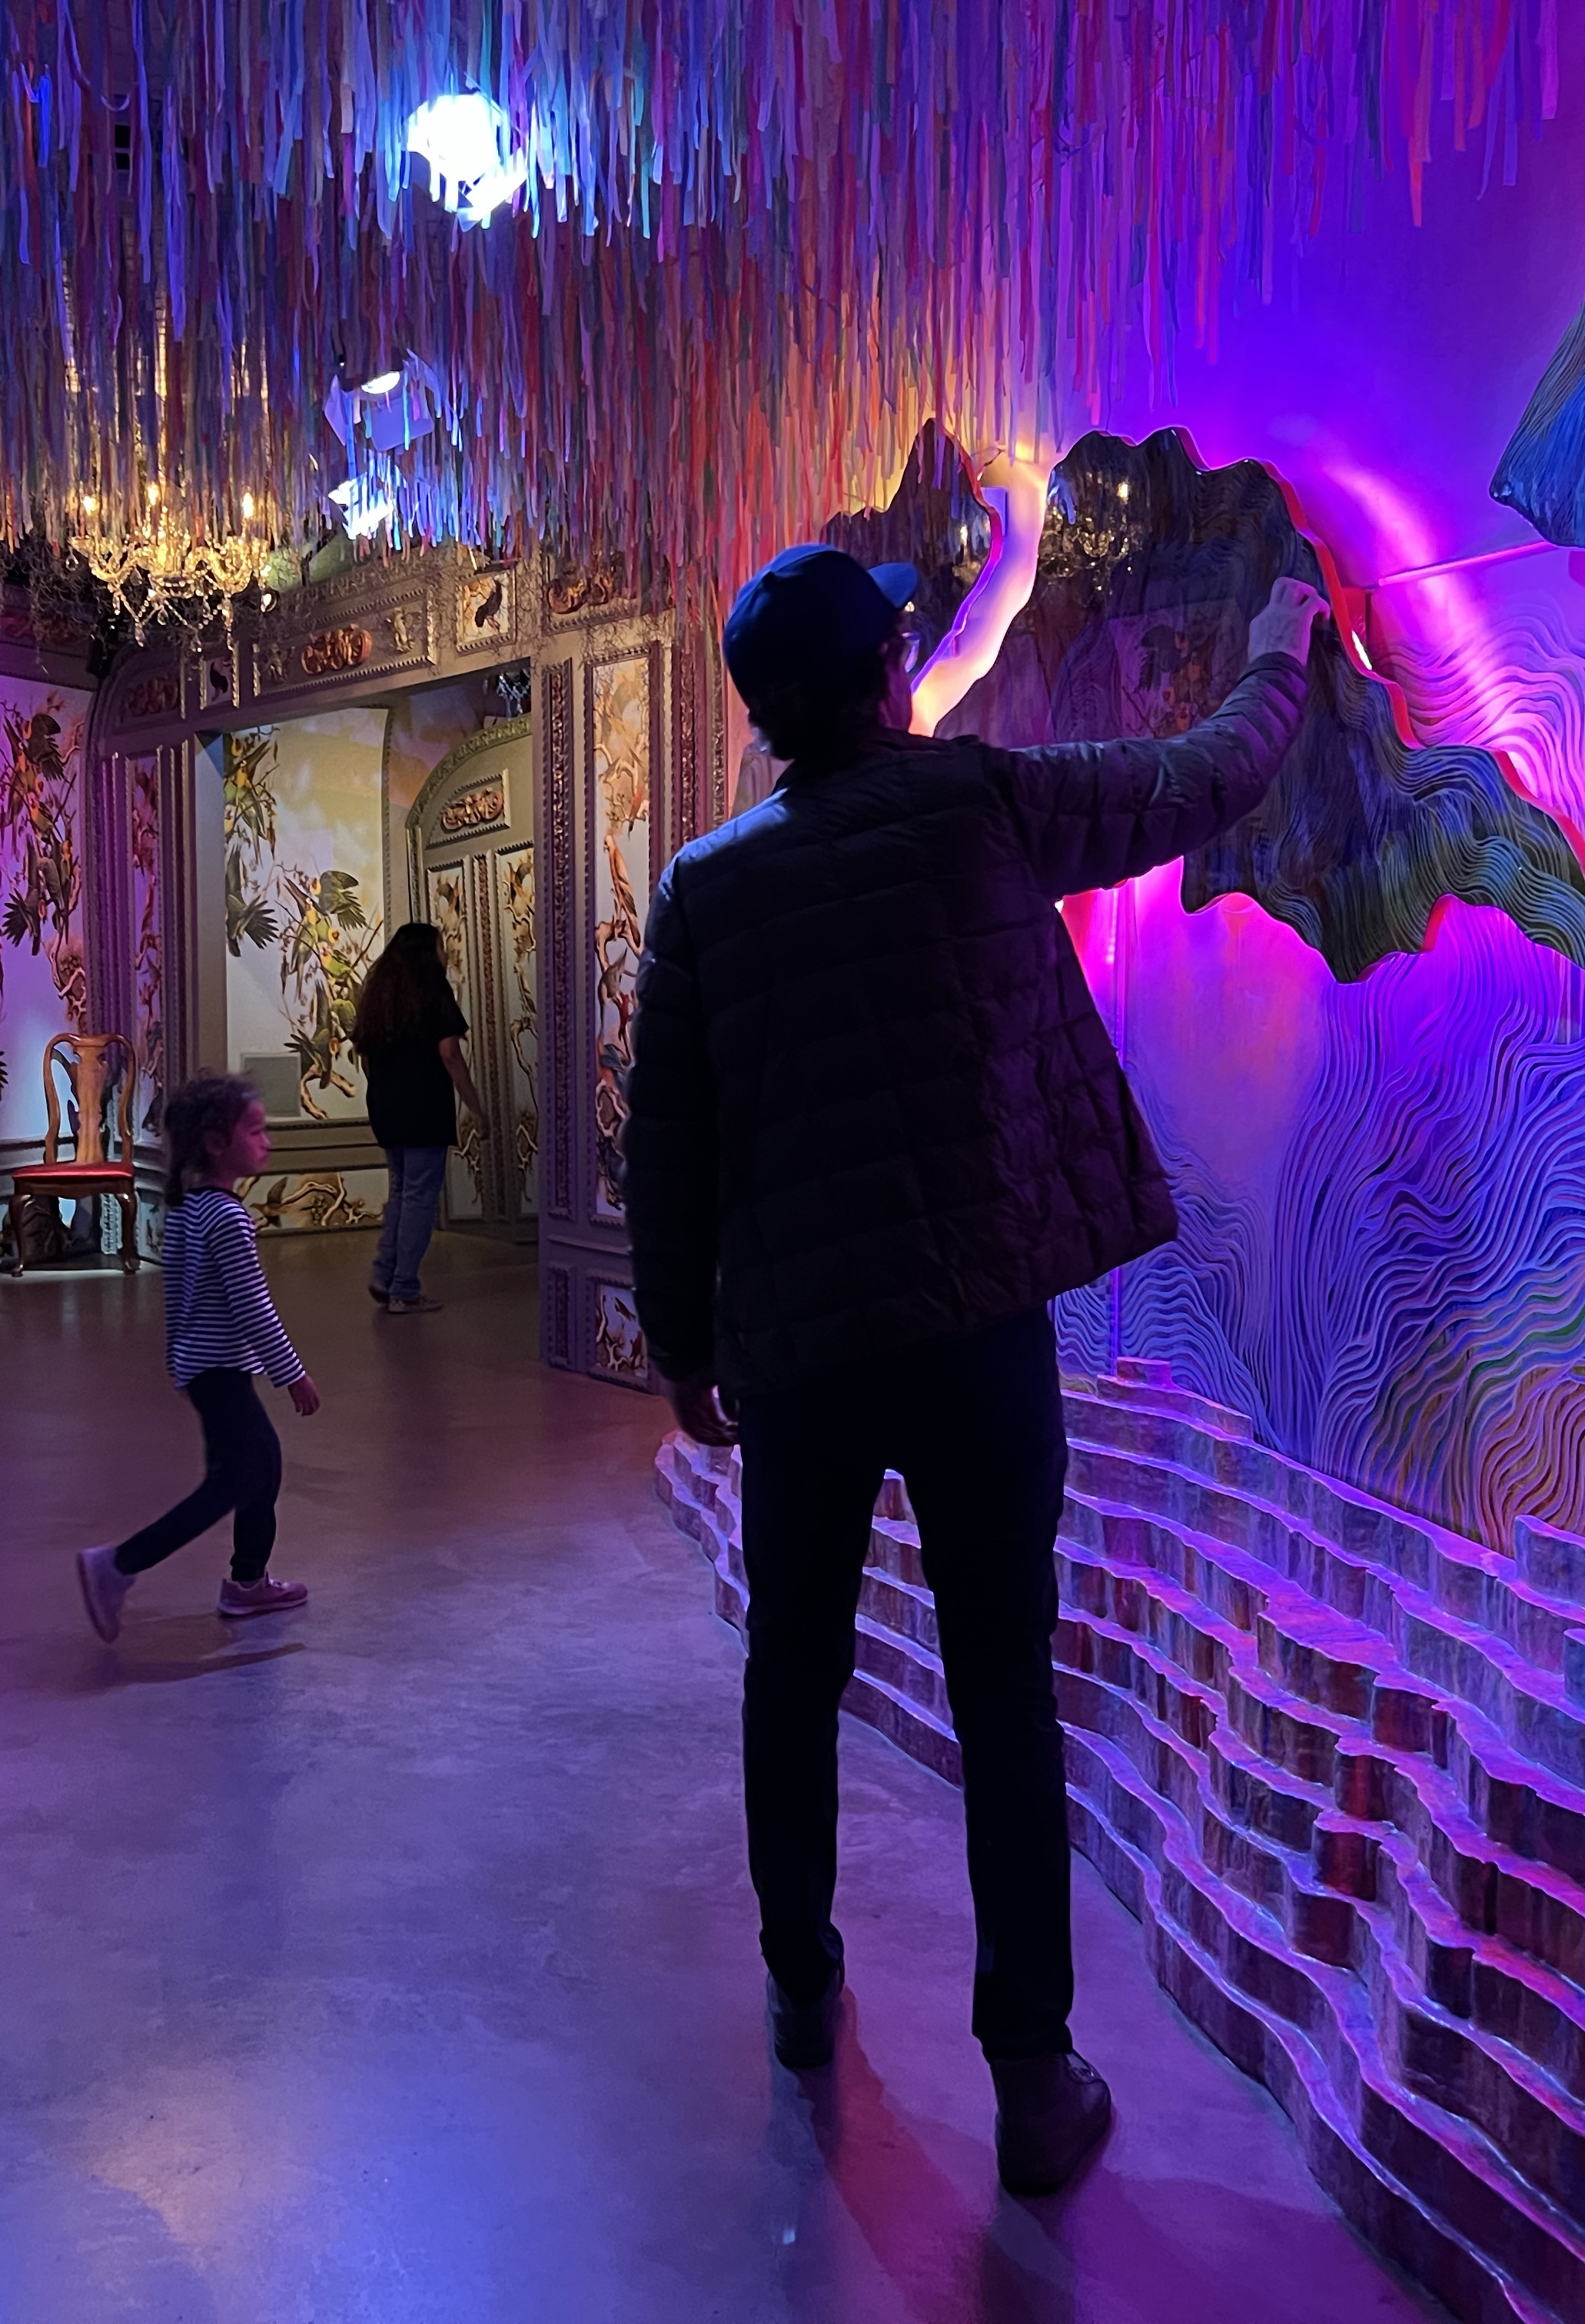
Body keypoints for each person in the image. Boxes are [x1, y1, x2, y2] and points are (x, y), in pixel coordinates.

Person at [625, 543, 1327, 2196]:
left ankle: (801, 1985)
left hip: (802, 1355)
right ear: (888, 678)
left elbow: (667, 1150)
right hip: (976, 1336)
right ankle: (1030, 2073)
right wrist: (1281, 643)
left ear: (767, 716)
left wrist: (681, 1347)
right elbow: (1201, 774)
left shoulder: (705, 889)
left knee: (790, 1673)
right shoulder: (983, 806)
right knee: (1003, 1686)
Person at [79, 1075, 321, 1637]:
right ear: (216, 1143)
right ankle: (118, 1565)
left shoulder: (190, 1209)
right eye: (254, 1131)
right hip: (221, 1372)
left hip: (205, 1369)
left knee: (262, 1466)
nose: (267, 1141)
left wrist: (177, 1361)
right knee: (231, 1482)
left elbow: (177, 1296)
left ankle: (247, 1582)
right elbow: (253, 1308)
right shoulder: (228, 1218)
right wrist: (293, 1375)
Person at [350, 921, 484, 1315]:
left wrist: (385, 1094)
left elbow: (366, 1058)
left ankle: (384, 1274)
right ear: (428, 953)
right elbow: (450, 1054)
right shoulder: (433, 990)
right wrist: (476, 1108)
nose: (446, 953)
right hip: (425, 1107)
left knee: (401, 1191)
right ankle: (404, 1288)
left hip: (387, 1108)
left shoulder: (379, 994)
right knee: (420, 1197)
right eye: (442, 946)